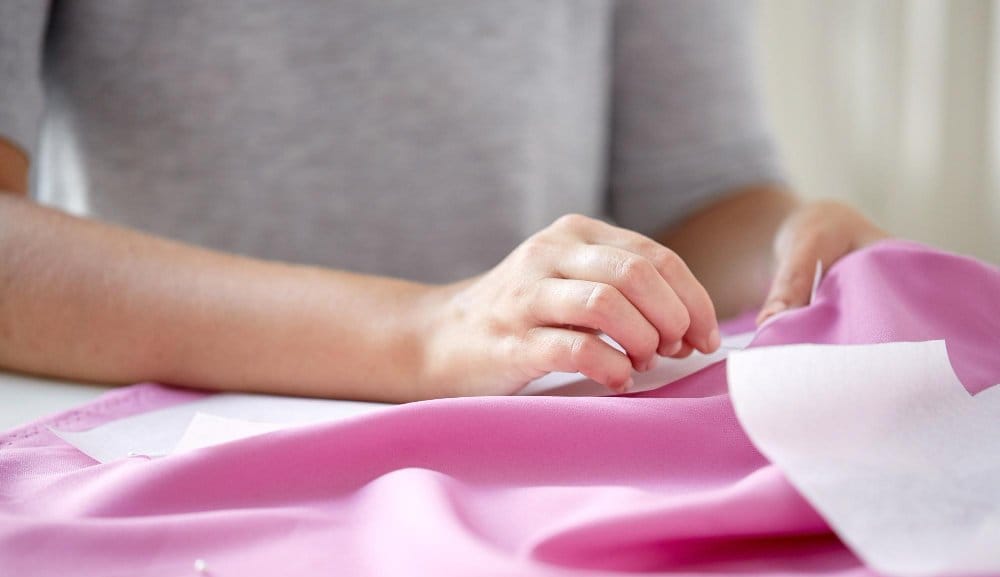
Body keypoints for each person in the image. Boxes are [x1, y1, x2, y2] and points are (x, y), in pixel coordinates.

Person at [0, 1, 887, 403]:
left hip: (527, 445)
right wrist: (424, 330)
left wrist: (791, 257)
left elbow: (700, 195)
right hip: (144, 447)